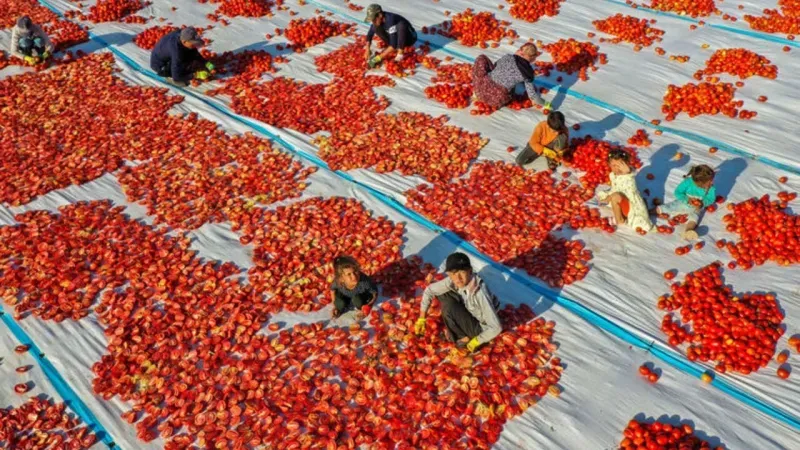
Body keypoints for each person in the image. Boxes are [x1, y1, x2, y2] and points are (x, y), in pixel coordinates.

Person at [414, 253, 502, 353]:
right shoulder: (454, 281)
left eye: (462, 272)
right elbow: (430, 290)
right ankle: (459, 327)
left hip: (481, 327)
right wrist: (422, 318)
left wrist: (477, 341)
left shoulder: (479, 293)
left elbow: (496, 327)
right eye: (453, 274)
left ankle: (464, 338)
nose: (458, 278)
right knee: (442, 293)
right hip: (468, 308)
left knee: (449, 308)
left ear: (470, 271)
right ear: (449, 274)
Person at [473, 43, 547, 109]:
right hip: (496, 100)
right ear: (533, 58)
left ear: (520, 51)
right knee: (511, 86)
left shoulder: (508, 57)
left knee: (482, 57)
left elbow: (495, 66)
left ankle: (478, 93)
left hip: (480, 88)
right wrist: (546, 104)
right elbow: (533, 96)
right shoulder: (528, 74)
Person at [597, 149, 653, 231]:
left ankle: (620, 220)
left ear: (627, 165)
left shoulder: (629, 176)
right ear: (609, 165)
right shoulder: (612, 175)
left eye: (620, 165)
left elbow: (630, 179)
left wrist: (627, 172)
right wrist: (608, 198)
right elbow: (615, 188)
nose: (617, 168)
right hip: (623, 201)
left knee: (615, 196)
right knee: (608, 195)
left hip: (631, 207)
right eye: (614, 165)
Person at [655, 165, 716, 240]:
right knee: (669, 207)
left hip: (696, 208)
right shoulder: (688, 182)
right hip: (683, 203)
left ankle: (688, 230)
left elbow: (710, 199)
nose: (712, 182)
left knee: (694, 218)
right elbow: (678, 192)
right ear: (700, 182)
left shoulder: (711, 188)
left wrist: (702, 203)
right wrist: (687, 199)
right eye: (710, 181)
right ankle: (650, 211)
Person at [150, 27, 214, 87]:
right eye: (193, 43)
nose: (195, 45)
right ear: (184, 41)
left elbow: (194, 51)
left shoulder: (182, 34)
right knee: (182, 70)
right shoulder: (177, 52)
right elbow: (176, 76)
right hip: (160, 65)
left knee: (190, 52)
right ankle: (169, 77)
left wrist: (205, 62)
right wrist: (196, 75)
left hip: (166, 52)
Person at [363, 4, 417, 68]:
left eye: (374, 19)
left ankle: (400, 54)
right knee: (375, 27)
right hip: (396, 38)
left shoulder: (390, 19)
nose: (373, 22)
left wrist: (378, 58)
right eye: (372, 20)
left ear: (380, 15)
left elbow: (393, 45)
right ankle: (393, 47)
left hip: (410, 38)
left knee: (401, 25)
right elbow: (370, 34)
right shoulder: (378, 21)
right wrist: (367, 49)